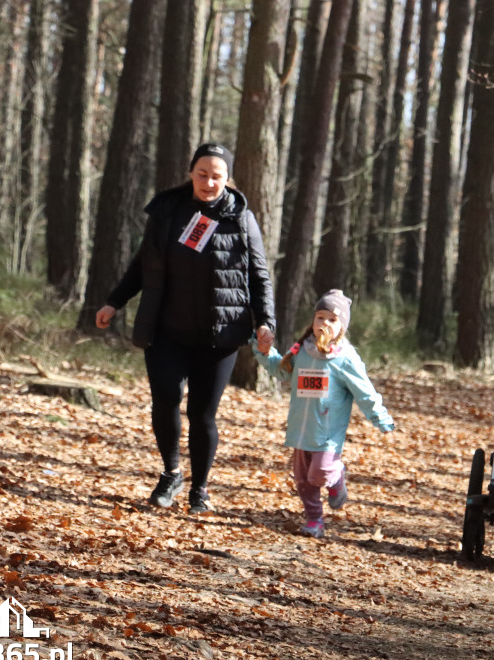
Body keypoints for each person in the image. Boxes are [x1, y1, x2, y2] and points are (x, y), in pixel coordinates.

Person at [95, 142, 275, 513]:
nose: (209, 182)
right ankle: (171, 472)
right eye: (202, 174)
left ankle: (201, 489)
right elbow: (142, 264)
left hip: (218, 335)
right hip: (166, 332)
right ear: (191, 173)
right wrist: (115, 300)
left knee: (202, 415)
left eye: (217, 176)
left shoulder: (241, 217)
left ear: (229, 180)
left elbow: (259, 275)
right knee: (165, 402)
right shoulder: (167, 211)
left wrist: (265, 322)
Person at [254, 290, 394, 538]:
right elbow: (281, 370)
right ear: (313, 321)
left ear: (342, 327)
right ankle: (314, 519)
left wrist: (380, 417)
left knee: (320, 473)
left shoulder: (345, 358)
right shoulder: (302, 351)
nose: (324, 324)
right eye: (320, 317)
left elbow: (364, 391)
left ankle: (337, 476)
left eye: (332, 319)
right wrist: (264, 352)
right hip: (301, 429)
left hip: (328, 433)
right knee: (303, 481)